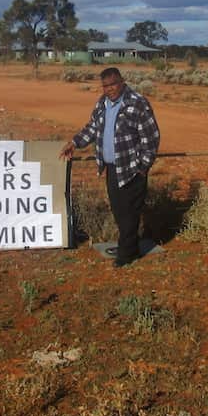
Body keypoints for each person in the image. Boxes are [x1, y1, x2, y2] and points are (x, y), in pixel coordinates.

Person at [59, 67, 160, 267]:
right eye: (105, 86)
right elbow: (93, 127)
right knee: (119, 211)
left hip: (132, 168)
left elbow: (151, 137)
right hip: (113, 168)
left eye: (113, 84)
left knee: (130, 212)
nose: (109, 89)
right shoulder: (102, 104)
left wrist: (143, 167)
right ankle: (127, 246)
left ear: (121, 81)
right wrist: (75, 143)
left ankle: (126, 255)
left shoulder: (137, 103)